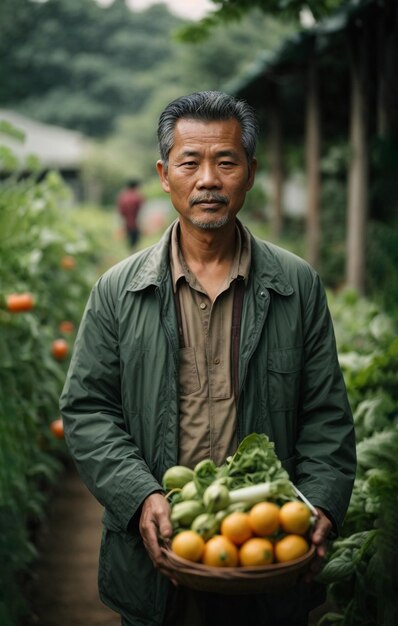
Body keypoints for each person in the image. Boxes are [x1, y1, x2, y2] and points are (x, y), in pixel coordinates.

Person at [60, 91, 356, 626]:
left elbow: (327, 417)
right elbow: (87, 410)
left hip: (267, 548)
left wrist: (321, 506)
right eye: (190, 162)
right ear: (164, 174)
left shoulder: (296, 285)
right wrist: (140, 495)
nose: (208, 180)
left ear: (250, 172)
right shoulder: (117, 291)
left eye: (226, 162)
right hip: (159, 560)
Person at [117, 178, 144, 249]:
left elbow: (120, 211)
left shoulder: (123, 197)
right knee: (135, 243)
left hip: (126, 223)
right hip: (135, 223)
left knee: (129, 242)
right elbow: (142, 211)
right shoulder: (138, 197)